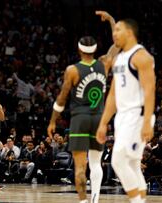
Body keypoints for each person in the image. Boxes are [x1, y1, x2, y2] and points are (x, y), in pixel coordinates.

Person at [47, 11, 118, 203]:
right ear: (95, 50)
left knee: (80, 167)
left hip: (79, 119)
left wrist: (53, 121)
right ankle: (94, 200)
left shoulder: (72, 70)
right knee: (96, 163)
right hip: (99, 119)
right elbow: (118, 44)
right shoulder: (105, 63)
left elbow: (61, 99)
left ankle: (83, 201)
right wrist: (111, 21)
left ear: (79, 50)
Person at [96, 18, 156, 203]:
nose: (114, 33)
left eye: (118, 30)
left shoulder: (141, 56)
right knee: (133, 165)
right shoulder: (119, 58)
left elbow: (149, 90)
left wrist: (147, 122)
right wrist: (103, 123)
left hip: (138, 115)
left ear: (129, 33)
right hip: (122, 116)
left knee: (118, 160)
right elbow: (113, 95)